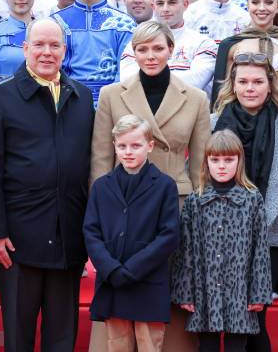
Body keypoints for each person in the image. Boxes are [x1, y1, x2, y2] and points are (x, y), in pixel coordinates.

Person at [0, 18, 94, 351]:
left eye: (54, 45)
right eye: (39, 44)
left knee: (62, 339)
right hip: (16, 243)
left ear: (64, 51)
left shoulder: (81, 98)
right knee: (19, 337)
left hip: (68, 238)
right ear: (25, 49)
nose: (47, 52)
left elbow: (88, 167)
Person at [90, 21, 210, 352]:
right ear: (132, 52)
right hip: (121, 207)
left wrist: (199, 218)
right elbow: (101, 158)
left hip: (176, 204)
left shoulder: (196, 98)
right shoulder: (112, 95)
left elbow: (201, 167)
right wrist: (98, 212)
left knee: (168, 282)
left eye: (158, 48)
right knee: (119, 277)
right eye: (142, 49)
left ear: (172, 50)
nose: (151, 55)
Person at [212, 52, 278, 352]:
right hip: (220, 236)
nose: (250, 88)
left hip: (271, 237)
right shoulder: (212, 124)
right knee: (220, 320)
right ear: (233, 85)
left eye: (257, 81)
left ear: (270, 85)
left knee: (254, 317)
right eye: (243, 81)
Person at [84, 114, 180, 352]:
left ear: (150, 146)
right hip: (113, 282)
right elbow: (91, 231)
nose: (128, 151)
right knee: (117, 346)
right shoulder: (102, 186)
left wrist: (132, 269)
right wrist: (112, 269)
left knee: (149, 345)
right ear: (114, 146)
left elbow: (169, 235)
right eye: (122, 145)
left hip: (148, 283)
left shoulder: (165, 185)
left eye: (136, 145)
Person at [172, 129, 272, 352]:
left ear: (239, 161)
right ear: (206, 162)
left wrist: (259, 293)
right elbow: (185, 250)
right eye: (215, 159)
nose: (222, 165)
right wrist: (185, 291)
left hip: (240, 291)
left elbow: (261, 251)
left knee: (237, 346)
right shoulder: (195, 201)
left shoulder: (252, 199)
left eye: (229, 159)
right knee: (206, 345)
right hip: (204, 290)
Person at [51, 0, 136, 104]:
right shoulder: (55, 22)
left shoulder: (124, 23)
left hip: (112, 104)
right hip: (66, 103)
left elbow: (127, 70)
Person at [121, 0, 217, 94]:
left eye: (172, 2)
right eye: (160, 3)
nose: (165, 9)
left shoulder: (204, 44)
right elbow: (127, 78)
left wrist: (149, 80)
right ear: (153, 6)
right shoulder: (136, 40)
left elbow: (194, 83)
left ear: (185, 4)